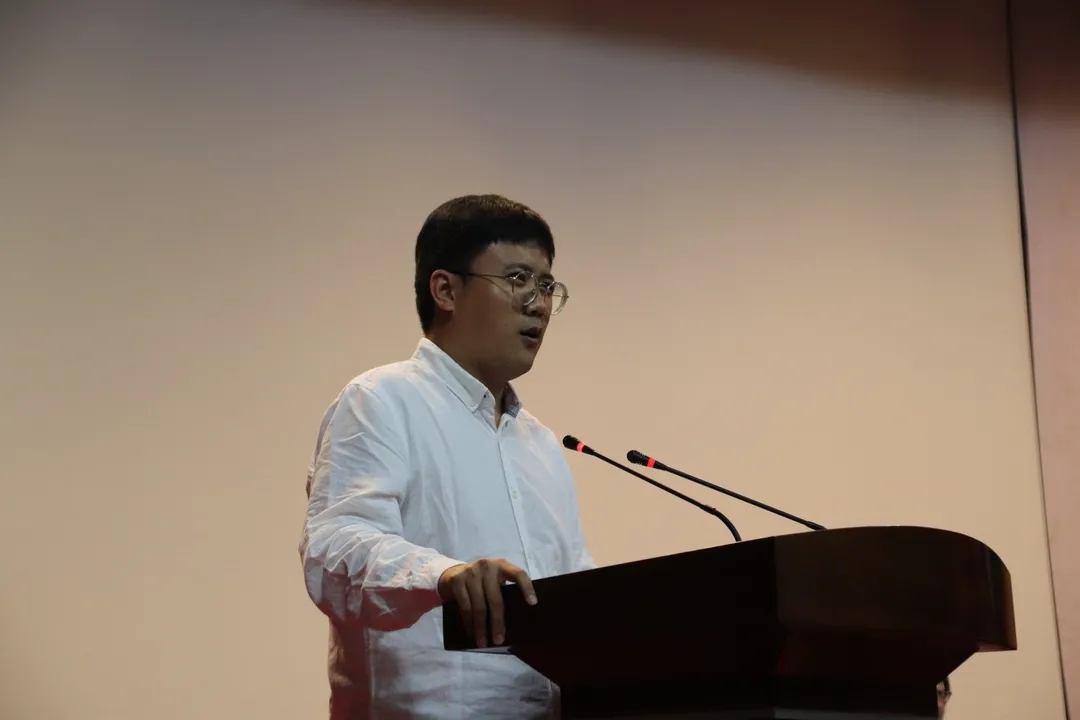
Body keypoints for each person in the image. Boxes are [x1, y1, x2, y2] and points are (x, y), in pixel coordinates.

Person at [299, 194, 595, 719]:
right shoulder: (382, 400)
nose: (539, 304)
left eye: (548, 285)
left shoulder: (543, 444)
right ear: (445, 290)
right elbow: (334, 549)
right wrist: (444, 576)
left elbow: (575, 592)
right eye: (518, 279)